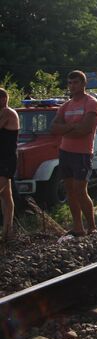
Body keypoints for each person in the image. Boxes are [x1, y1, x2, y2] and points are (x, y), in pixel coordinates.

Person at [51, 71, 97, 235]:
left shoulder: (91, 103)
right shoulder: (65, 105)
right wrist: (73, 127)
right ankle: (78, 227)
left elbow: (85, 129)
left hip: (82, 154)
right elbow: (54, 128)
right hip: (65, 152)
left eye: (76, 82)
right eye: (70, 83)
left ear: (83, 84)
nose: (72, 86)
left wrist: (65, 129)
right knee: (70, 190)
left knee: (80, 190)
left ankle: (92, 226)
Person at [0, 88, 19, 241]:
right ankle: (8, 231)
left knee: (4, 194)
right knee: (6, 196)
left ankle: (7, 231)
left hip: (6, 159)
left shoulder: (7, 112)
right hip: (2, 158)